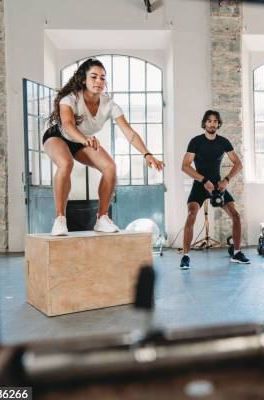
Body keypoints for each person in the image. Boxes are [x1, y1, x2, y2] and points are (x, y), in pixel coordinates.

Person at [43, 58, 164, 236]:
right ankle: (60, 219)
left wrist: (147, 154)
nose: (99, 81)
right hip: (58, 136)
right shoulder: (70, 99)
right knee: (66, 163)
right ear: (83, 79)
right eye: (94, 77)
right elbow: (68, 125)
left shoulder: (109, 105)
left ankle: (102, 218)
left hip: (83, 141)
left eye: (102, 77)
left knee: (110, 168)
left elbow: (129, 132)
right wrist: (84, 139)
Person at [180, 110, 250, 269]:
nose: (212, 124)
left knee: (236, 215)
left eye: (215, 121)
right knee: (191, 214)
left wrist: (226, 180)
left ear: (219, 124)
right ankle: (185, 256)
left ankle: (237, 253)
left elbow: (238, 164)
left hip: (218, 186)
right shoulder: (195, 142)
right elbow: (185, 166)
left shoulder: (224, 142)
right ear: (204, 123)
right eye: (209, 121)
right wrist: (203, 180)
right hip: (200, 185)